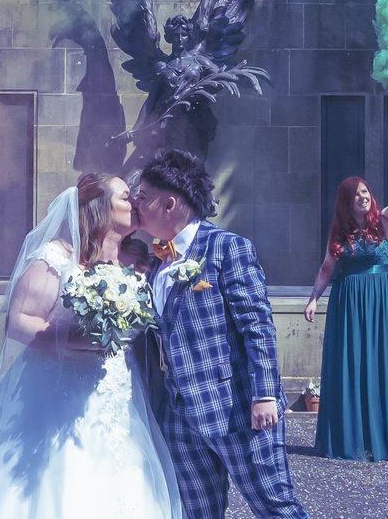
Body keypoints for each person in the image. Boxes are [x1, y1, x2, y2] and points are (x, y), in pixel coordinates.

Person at [0, 174, 184, 518]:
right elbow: (17, 320)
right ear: (99, 207)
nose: (135, 202)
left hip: (116, 397)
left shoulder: (136, 260)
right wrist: (74, 339)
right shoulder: (56, 257)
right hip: (58, 395)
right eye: (124, 196)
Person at [133, 148, 308, 519]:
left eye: (143, 197)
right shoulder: (152, 263)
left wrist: (264, 396)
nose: (136, 204)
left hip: (236, 409)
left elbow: (257, 327)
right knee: (197, 513)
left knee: (276, 507)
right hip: (178, 418)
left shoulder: (228, 248)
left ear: (170, 203)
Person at [302, 143, 388, 461]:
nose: (363, 197)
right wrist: (313, 299)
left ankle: (385, 441)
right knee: (349, 366)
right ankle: (347, 439)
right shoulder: (339, 234)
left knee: (377, 366)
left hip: (376, 304)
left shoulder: (386, 223)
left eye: (365, 192)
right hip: (346, 304)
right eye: (356, 195)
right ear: (347, 203)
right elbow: (326, 269)